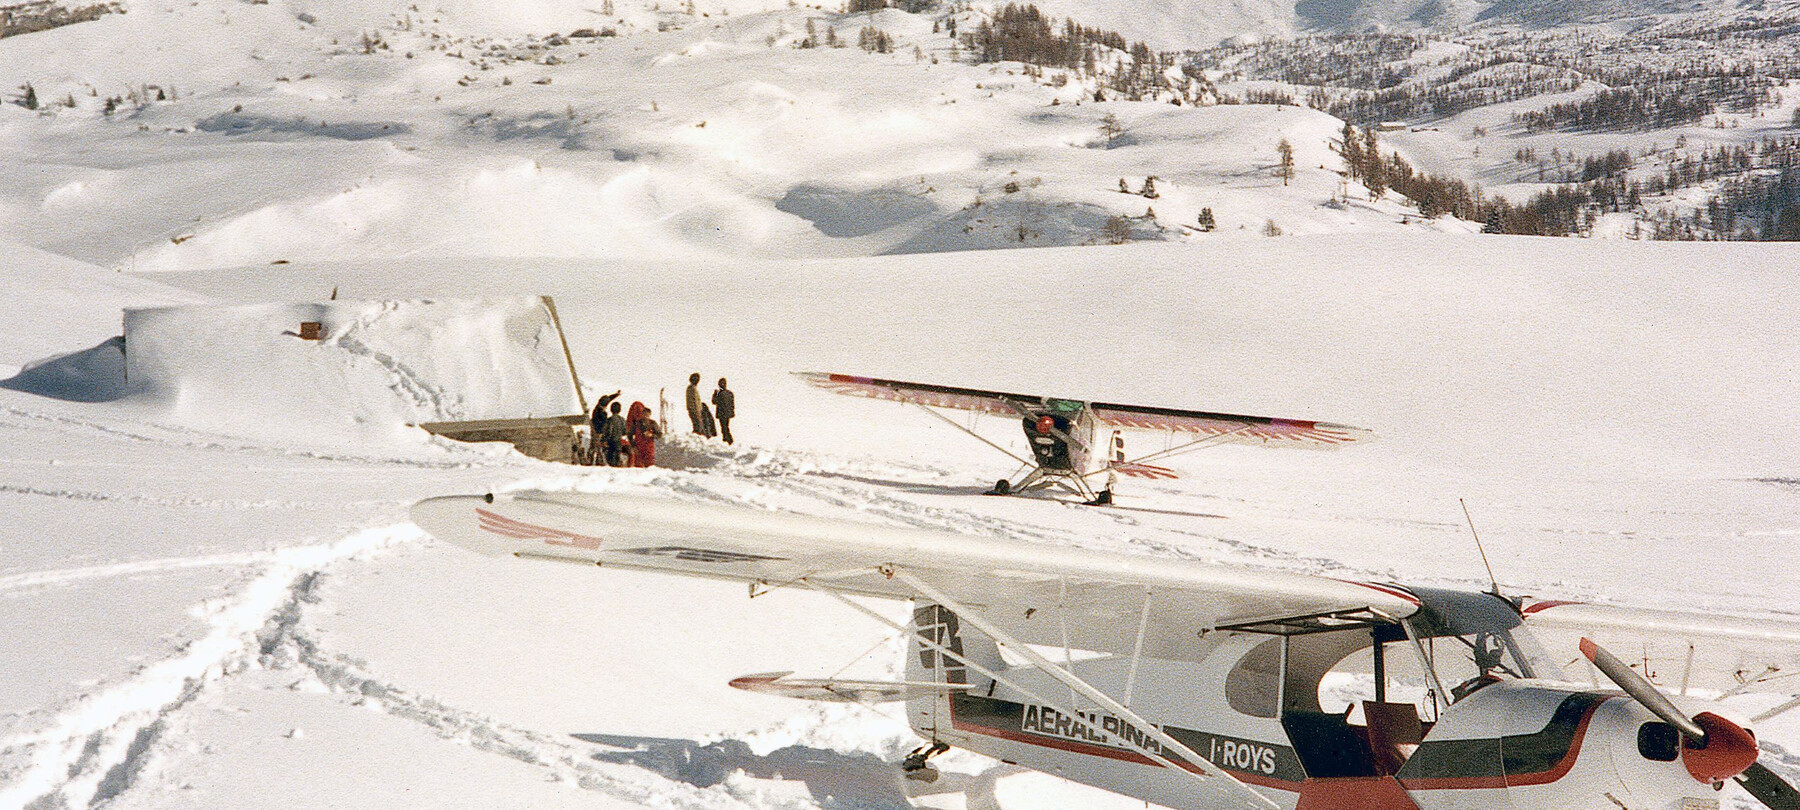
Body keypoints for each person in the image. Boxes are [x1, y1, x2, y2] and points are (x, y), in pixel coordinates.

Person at [588, 390, 620, 465]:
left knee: (596, 447)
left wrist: (616, 394)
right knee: (597, 447)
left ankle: (594, 460)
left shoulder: (598, 407)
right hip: (597, 432)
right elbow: (599, 425)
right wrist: (601, 434)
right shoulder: (599, 413)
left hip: (597, 432)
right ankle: (595, 461)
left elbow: (609, 398)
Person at [628, 400, 661, 467]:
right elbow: (630, 435)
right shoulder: (636, 423)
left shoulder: (653, 423)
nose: (645, 417)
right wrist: (633, 446)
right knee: (638, 467)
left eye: (647, 415)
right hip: (639, 449)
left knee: (649, 466)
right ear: (641, 414)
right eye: (644, 415)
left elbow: (659, 434)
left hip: (649, 449)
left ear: (649, 415)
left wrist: (651, 435)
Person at [600, 400, 628, 466]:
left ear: (611, 410)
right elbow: (625, 431)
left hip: (610, 442)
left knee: (610, 461)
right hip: (619, 442)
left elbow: (608, 431)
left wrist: (603, 440)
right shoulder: (622, 420)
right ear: (620, 410)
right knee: (617, 461)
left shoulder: (609, 420)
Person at [711, 377, 735, 445]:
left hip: (722, 414)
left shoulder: (720, 393)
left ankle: (728, 440)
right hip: (728, 414)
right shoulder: (730, 393)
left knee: (724, 428)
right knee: (726, 427)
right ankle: (727, 440)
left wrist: (715, 394)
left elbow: (714, 401)